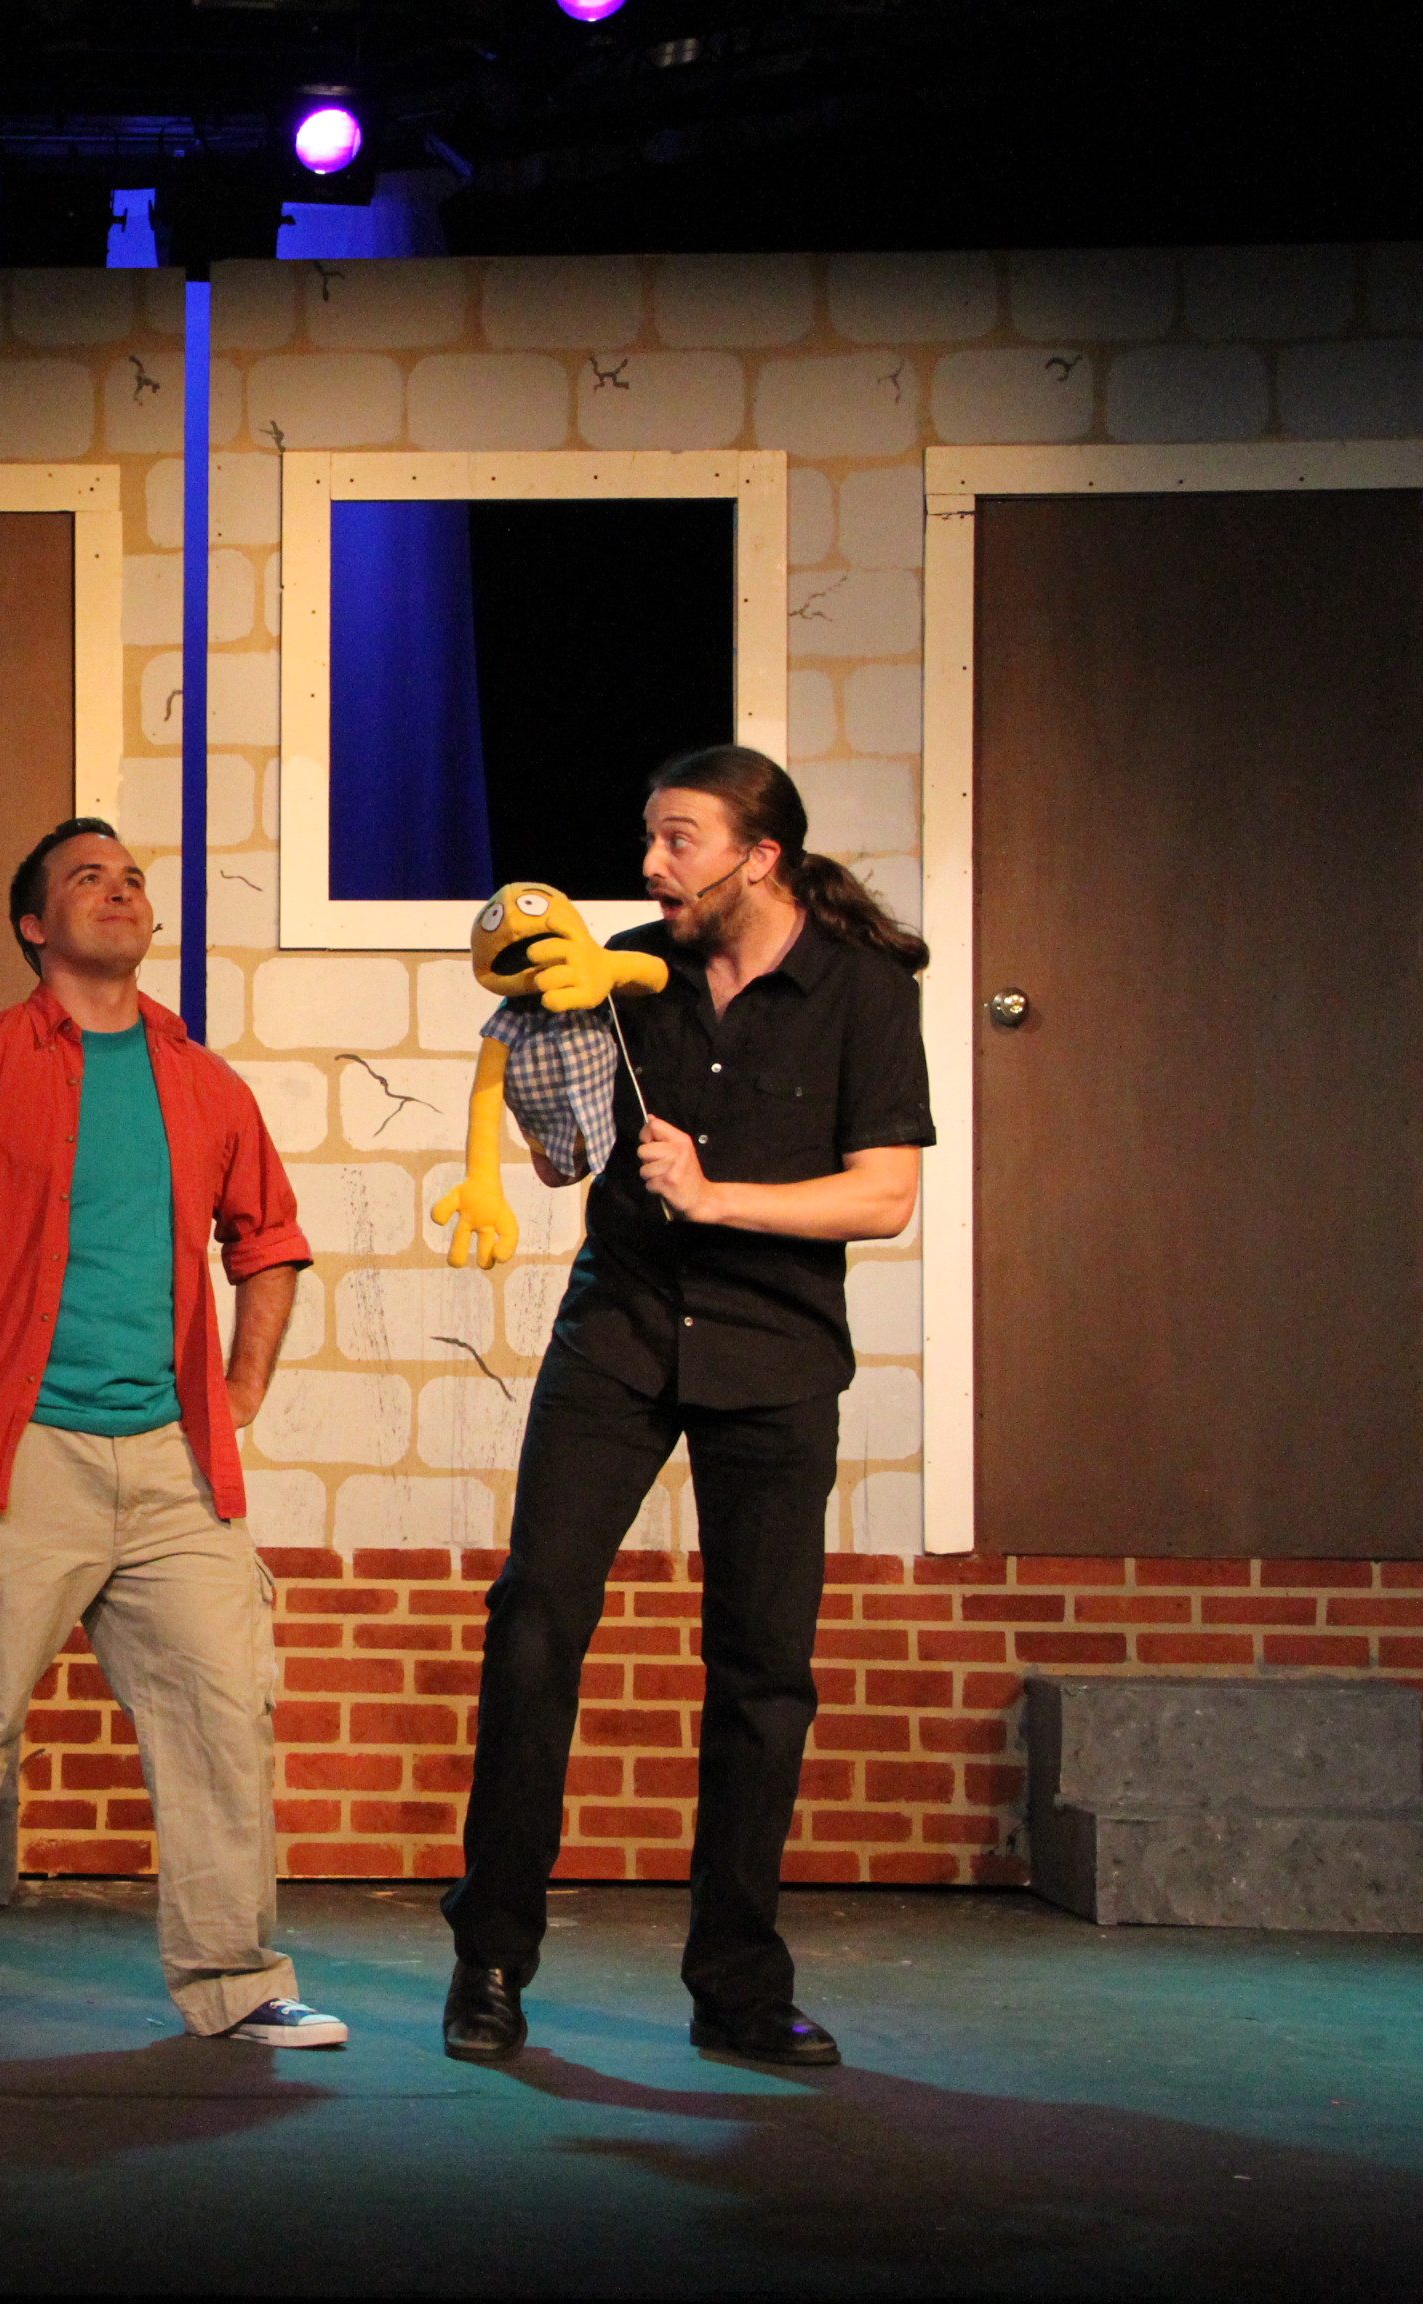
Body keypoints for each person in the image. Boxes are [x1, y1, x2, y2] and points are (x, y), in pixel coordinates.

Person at [0, 820, 343, 2050]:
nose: (119, 891)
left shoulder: (203, 1082)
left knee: (220, 1727)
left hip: (175, 1466)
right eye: (86, 879)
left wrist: (243, 1385)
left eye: (132, 878)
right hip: (17, 1453)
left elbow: (269, 1240)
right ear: (33, 925)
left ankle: (238, 1982)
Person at [439, 746, 931, 2071]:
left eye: (679, 841)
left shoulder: (860, 991)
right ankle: (490, 1959)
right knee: (536, 1620)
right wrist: (535, 1075)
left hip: (776, 1352)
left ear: (760, 858)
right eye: (650, 838)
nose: (652, 866)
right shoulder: (627, 973)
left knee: (764, 1671)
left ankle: (738, 1987)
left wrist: (720, 1199)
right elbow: (565, 1161)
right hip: (622, 1329)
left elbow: (885, 1194)